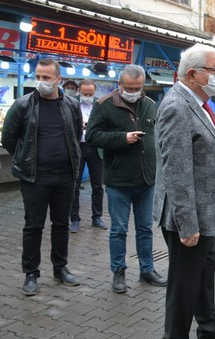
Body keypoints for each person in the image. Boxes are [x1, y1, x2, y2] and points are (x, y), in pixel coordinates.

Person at [154, 44, 215, 339]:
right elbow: (176, 171)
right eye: (214, 69)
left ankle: (208, 330)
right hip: (189, 217)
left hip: (205, 213)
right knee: (184, 285)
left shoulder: (199, 103)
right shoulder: (177, 107)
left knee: (204, 277)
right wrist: (188, 225)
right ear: (193, 74)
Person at [2, 58, 82, 296]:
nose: (41, 81)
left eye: (46, 77)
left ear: (58, 79)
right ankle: (31, 273)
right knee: (33, 226)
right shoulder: (23, 104)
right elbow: (8, 138)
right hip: (34, 177)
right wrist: (25, 159)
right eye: (38, 76)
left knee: (61, 224)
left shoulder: (71, 105)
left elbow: (76, 133)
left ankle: (60, 268)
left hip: (65, 176)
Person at [86, 64, 167, 294]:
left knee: (145, 229)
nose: (133, 92)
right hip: (119, 180)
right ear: (119, 84)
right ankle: (119, 272)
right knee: (119, 230)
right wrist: (122, 138)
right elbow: (92, 136)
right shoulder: (104, 105)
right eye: (129, 87)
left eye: (137, 87)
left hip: (146, 179)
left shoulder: (149, 104)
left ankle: (147, 269)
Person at [70, 79, 106, 233]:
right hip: (78, 148)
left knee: (98, 185)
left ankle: (97, 217)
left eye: (91, 93)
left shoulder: (100, 104)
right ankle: (74, 219)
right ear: (79, 91)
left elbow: (106, 124)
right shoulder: (71, 104)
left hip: (96, 148)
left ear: (95, 91)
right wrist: (80, 127)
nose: (88, 96)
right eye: (85, 93)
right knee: (74, 185)